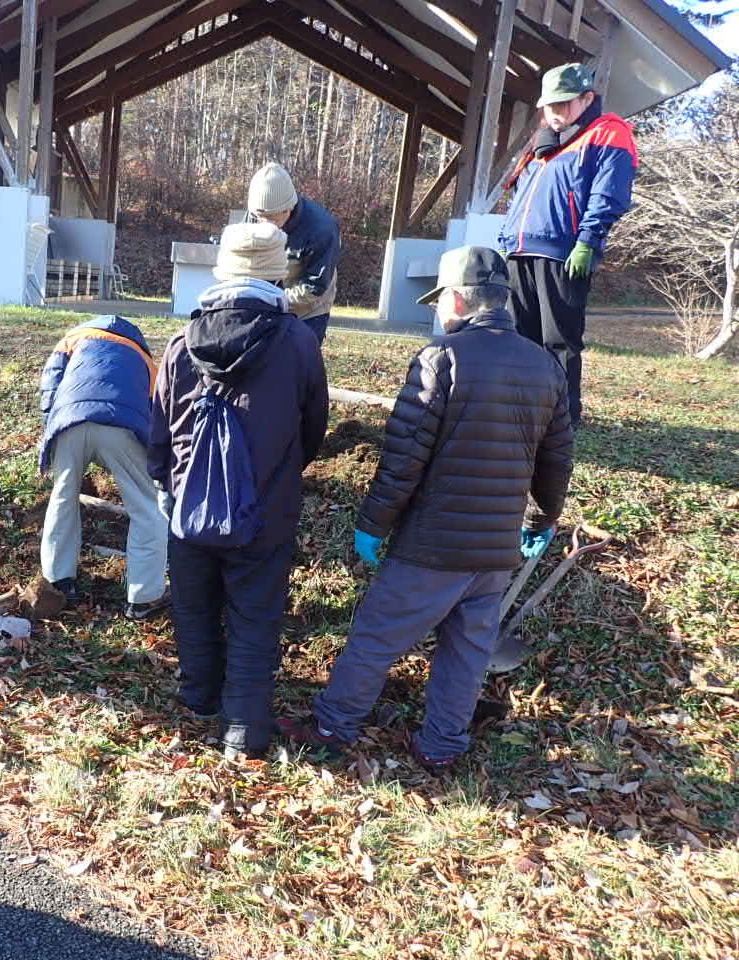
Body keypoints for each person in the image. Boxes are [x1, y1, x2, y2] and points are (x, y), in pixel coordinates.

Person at [279, 247, 574, 775]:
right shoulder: (545, 366)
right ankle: (441, 744)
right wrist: (541, 520)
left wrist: (373, 525)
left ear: (458, 299)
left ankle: (332, 726)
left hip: (433, 545)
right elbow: (555, 461)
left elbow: (403, 459)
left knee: (375, 635)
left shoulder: (444, 358)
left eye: (440, 301)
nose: (438, 311)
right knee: (467, 650)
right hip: (494, 550)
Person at [150, 221, 329, 760]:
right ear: (277, 274)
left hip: (189, 504)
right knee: (255, 617)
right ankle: (243, 732)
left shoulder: (182, 342)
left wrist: (167, 484)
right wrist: (282, 471)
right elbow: (313, 426)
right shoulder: (297, 341)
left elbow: (158, 426)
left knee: (194, 605)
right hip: (266, 510)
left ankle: (199, 698)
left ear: (220, 272)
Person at [498, 62, 637, 424]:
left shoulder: (608, 133)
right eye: (548, 105)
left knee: (558, 340)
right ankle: (520, 412)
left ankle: (561, 419)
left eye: (562, 104)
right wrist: (506, 241)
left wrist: (588, 241)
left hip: (563, 252)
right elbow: (521, 194)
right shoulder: (543, 142)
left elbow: (609, 195)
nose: (554, 113)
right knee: (519, 338)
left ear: (586, 98)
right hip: (520, 251)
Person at [39, 316, 168, 620]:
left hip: (69, 422)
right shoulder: (144, 359)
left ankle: (58, 581)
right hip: (121, 426)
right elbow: (157, 410)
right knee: (147, 507)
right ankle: (143, 598)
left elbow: (49, 388)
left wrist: (51, 432)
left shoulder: (71, 341)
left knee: (62, 498)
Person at [247, 161, 340, 345]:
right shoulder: (253, 216)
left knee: (299, 362)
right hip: (265, 305)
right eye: (260, 218)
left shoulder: (322, 229)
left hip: (308, 312)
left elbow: (314, 287)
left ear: (288, 208)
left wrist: (272, 300)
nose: (264, 224)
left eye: (272, 218)